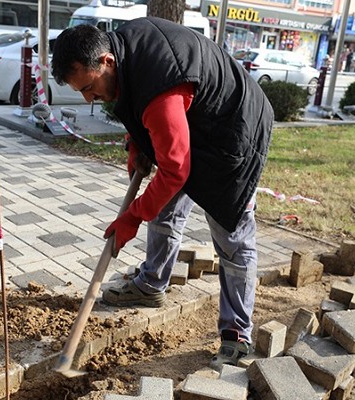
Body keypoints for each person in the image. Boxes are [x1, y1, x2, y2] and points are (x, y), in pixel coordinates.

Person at [51, 19, 273, 370]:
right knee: (165, 206)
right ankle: (152, 283)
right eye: (81, 91)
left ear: (107, 60)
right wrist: (137, 144)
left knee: (233, 236)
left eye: (89, 87)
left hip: (234, 131)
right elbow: (144, 115)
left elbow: (175, 168)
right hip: (193, 120)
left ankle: (237, 331)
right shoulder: (124, 55)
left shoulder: (158, 86)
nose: (88, 98)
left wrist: (133, 216)